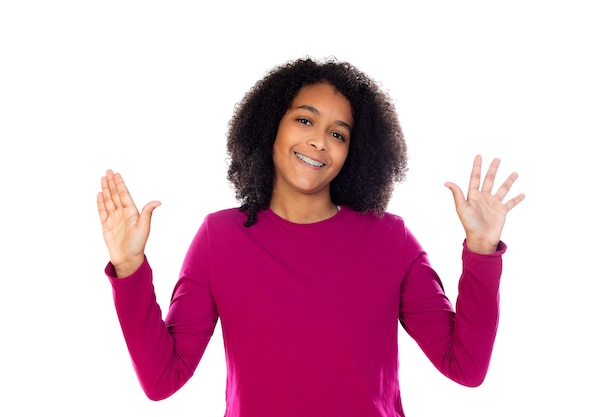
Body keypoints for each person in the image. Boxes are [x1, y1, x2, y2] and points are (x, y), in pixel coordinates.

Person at [97, 57, 525, 417]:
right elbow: (161, 380)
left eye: (338, 134)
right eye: (305, 120)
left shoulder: (390, 240)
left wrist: (483, 250)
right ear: (271, 129)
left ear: (353, 152)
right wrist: (130, 268)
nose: (319, 142)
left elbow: (465, 367)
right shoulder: (220, 238)